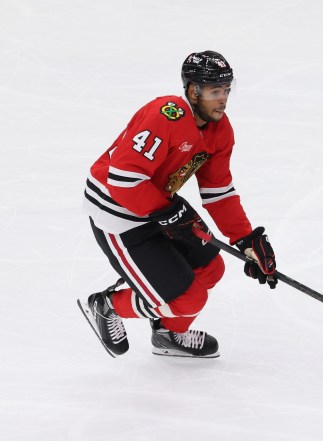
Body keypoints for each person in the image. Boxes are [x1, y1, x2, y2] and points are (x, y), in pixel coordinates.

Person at [78, 50, 277, 359]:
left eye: (227, 90)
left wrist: (246, 239)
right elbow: (123, 179)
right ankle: (106, 305)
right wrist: (168, 213)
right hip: (117, 212)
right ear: (193, 91)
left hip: (158, 206)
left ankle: (167, 333)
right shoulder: (165, 114)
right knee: (188, 299)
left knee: (210, 269)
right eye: (215, 91)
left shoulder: (220, 130)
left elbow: (219, 191)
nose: (223, 99)